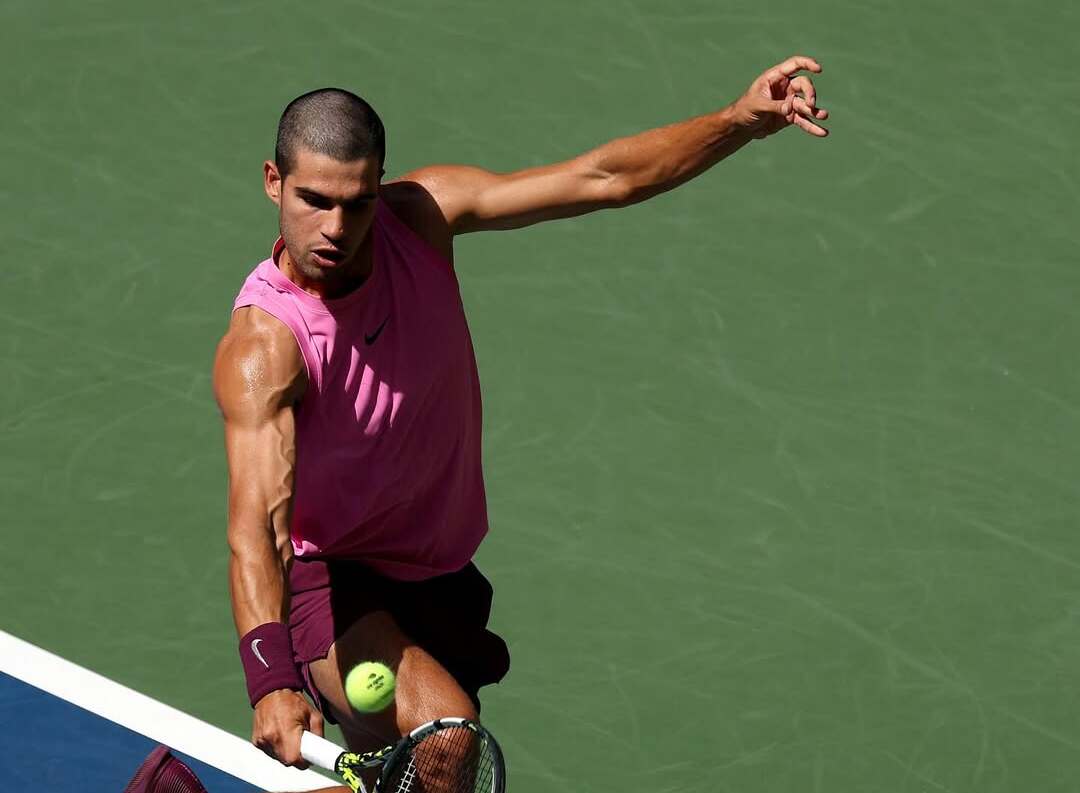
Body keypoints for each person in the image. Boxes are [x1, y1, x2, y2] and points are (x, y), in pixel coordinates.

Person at [212, 54, 829, 777]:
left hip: (439, 570)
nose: (337, 226)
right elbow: (259, 523)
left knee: (400, 770)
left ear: (381, 187)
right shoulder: (267, 344)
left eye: (358, 202)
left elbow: (603, 178)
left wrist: (737, 122)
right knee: (446, 737)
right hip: (337, 585)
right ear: (272, 182)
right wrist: (271, 677)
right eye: (314, 199)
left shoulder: (422, 218)